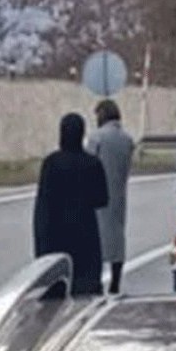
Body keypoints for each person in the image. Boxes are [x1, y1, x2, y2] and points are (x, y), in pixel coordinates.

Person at [33, 113, 109, 296]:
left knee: (54, 293)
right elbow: (102, 199)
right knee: (85, 293)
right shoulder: (92, 164)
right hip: (85, 236)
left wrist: (39, 243)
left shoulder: (51, 164)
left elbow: (42, 205)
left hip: (54, 236)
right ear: (82, 134)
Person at [86, 99, 135, 295]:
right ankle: (116, 280)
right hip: (119, 193)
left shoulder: (96, 138)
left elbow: (89, 164)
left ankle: (96, 279)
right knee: (117, 237)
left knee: (96, 239)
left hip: (96, 194)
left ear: (103, 115)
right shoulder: (127, 139)